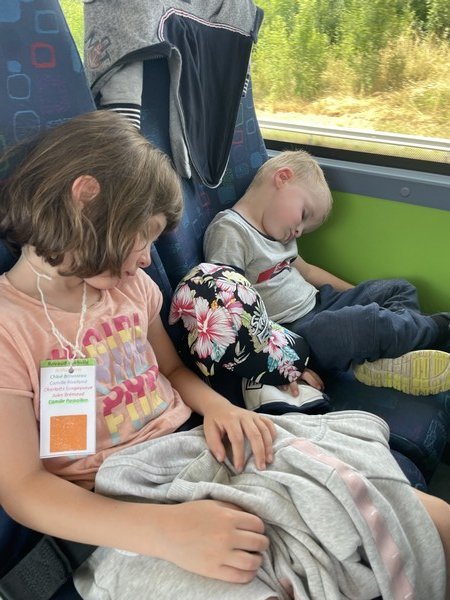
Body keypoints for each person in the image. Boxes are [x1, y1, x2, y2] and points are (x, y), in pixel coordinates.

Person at [0, 112, 449, 600]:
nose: (148, 258)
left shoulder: (133, 289)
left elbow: (171, 368)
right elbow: (23, 487)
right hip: (115, 498)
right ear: (86, 199)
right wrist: (163, 531)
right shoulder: (9, 327)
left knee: (398, 504)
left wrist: (219, 408)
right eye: (143, 236)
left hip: (192, 447)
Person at [203, 149, 450, 396]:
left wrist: (362, 295)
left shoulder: (278, 232)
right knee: (365, 322)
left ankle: (390, 359)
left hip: (321, 302)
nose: (299, 231)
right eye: (303, 216)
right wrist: (281, 362)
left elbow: (308, 271)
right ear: (282, 178)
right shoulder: (230, 231)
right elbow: (230, 309)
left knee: (398, 289)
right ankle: (439, 329)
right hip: (293, 333)